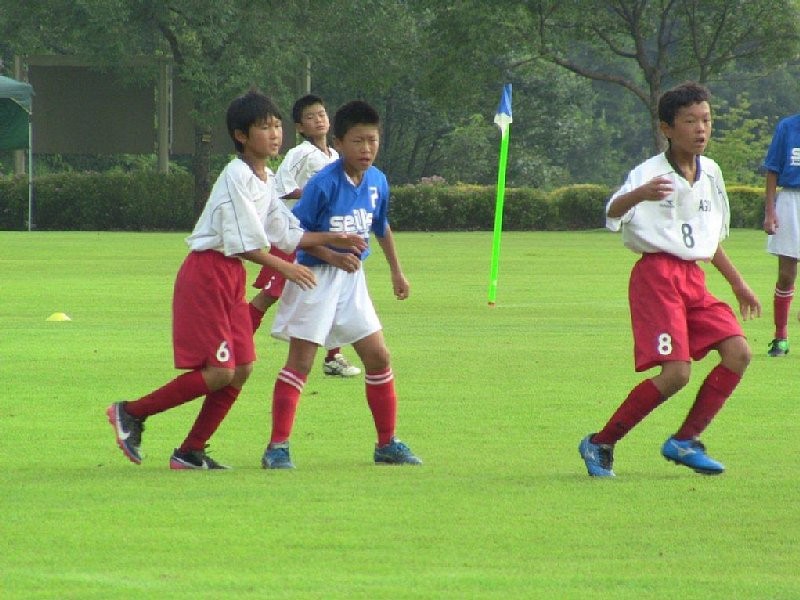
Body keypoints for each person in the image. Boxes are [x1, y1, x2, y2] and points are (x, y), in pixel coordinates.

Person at [106, 90, 365, 470]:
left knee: (241, 369)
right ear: (241, 136)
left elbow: (286, 231)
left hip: (229, 276)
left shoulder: (265, 178)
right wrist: (286, 268)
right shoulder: (236, 176)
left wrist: (332, 243)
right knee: (220, 371)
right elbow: (243, 243)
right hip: (207, 274)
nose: (274, 134)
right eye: (264, 127)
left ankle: (190, 451)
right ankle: (131, 412)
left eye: (277, 126)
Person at [578, 82, 761, 478]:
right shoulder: (649, 173)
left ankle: (685, 440)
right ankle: (600, 443)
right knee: (676, 374)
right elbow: (612, 211)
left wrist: (738, 284)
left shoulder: (711, 173)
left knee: (739, 353)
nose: (701, 129)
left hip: (693, 278)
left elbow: (708, 240)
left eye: (706, 120)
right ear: (667, 128)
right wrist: (640, 194)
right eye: (690, 121)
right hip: (657, 277)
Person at [262, 100, 422, 469]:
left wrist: (397, 271)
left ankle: (386, 444)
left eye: (372, 140)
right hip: (314, 278)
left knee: (378, 356)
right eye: (357, 141)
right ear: (339, 143)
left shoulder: (378, 180)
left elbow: (380, 225)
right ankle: (277, 448)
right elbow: (295, 235)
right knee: (301, 362)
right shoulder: (322, 184)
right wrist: (332, 254)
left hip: (352, 280)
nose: (366, 149)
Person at [249, 94, 361, 378]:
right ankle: (235, 342)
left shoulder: (335, 155)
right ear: (300, 127)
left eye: (321, 114)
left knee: (331, 294)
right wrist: (317, 195)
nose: (318, 120)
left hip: (321, 237)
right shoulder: (300, 154)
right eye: (310, 117)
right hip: (295, 236)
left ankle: (333, 357)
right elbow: (281, 188)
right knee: (271, 293)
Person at [762, 112, 800, 356]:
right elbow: (772, 169)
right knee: (786, 275)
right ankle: (781, 337)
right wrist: (770, 212)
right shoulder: (787, 127)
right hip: (790, 201)